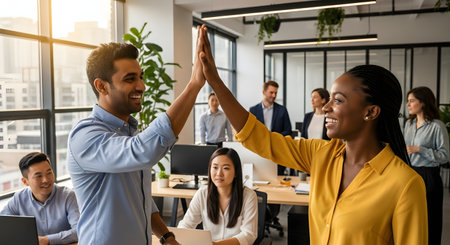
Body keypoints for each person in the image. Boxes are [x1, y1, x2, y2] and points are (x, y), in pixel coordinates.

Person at [197, 25, 427, 245]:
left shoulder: (405, 184)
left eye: (337, 100)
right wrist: (215, 81)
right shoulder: (321, 154)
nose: (326, 108)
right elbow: (259, 138)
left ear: (371, 112)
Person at [67, 26, 207, 245]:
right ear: (102, 86)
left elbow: (140, 200)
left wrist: (166, 236)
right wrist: (194, 85)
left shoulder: (128, 132)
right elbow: (143, 150)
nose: (141, 86)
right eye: (130, 79)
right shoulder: (85, 136)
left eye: (140, 77)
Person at [178, 148, 258, 245]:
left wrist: (216, 244)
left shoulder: (248, 196)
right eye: (215, 167)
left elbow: (249, 235)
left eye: (225, 168)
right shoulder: (202, 193)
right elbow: (186, 224)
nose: (219, 174)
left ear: (236, 172)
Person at [1, 152, 79, 245]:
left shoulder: (68, 196)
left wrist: (47, 240)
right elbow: (3, 227)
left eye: (49, 173)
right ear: (25, 181)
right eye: (38, 176)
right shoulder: (19, 199)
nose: (46, 180)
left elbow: (79, 231)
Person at [404, 86, 449, 245]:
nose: (408, 105)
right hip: (410, 174)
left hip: (429, 176)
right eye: (407, 101)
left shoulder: (437, 126)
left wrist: (420, 150)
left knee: (431, 219)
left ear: (422, 103)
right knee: (413, 218)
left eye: (411, 101)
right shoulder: (409, 125)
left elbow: (445, 157)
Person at [249, 80, 292, 176]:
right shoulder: (253, 110)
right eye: (271, 92)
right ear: (264, 92)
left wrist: (273, 137)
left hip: (278, 152)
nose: (274, 95)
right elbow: (251, 132)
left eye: (276, 93)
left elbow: (288, 131)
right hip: (259, 153)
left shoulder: (282, 110)